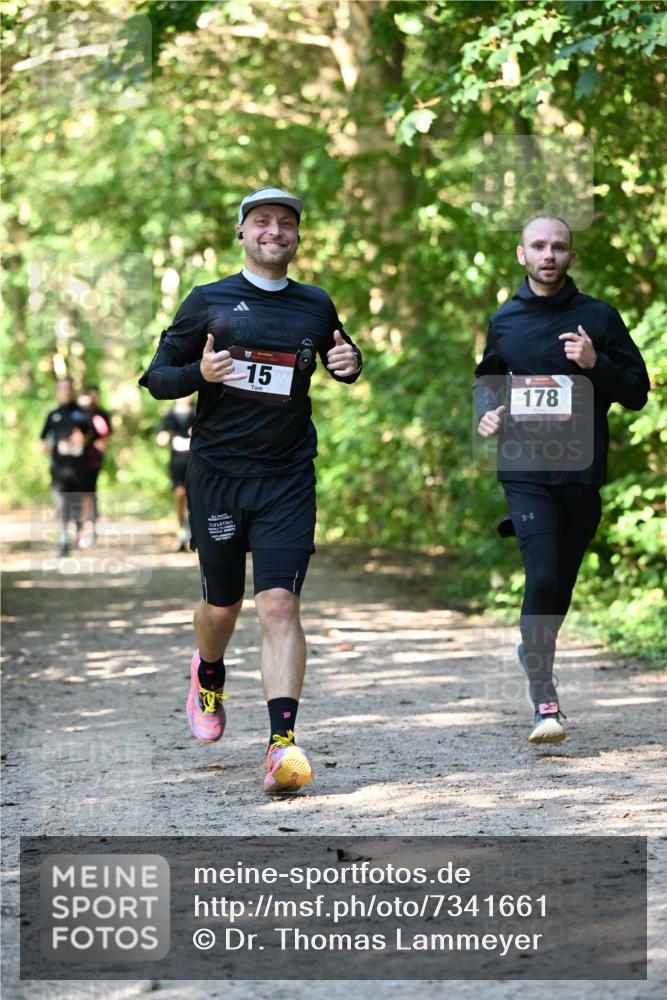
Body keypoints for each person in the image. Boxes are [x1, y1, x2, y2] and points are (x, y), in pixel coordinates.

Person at [139, 186, 362, 792]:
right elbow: (155, 378)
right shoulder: (207, 302)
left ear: (296, 236)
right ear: (242, 233)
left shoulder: (315, 305)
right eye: (261, 221)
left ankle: (281, 745)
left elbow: (340, 354)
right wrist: (197, 374)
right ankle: (208, 670)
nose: (274, 231)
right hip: (218, 477)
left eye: (286, 223)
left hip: (288, 475)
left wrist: (352, 363)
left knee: (280, 605)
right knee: (223, 605)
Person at [474, 214, 649, 745]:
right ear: (522, 255)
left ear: (570, 257)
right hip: (524, 469)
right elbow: (488, 377)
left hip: (580, 471)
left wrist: (595, 363)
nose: (549, 254)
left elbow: (637, 391)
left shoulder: (598, 316)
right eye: (538, 246)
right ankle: (544, 697)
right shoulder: (505, 320)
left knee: (560, 586)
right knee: (543, 575)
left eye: (559, 247)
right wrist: (488, 412)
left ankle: (534, 648)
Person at [40, 377, 97, 556]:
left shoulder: (83, 413)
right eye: (62, 388)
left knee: (81, 501)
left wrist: (83, 440)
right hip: (59, 467)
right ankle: (63, 538)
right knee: (62, 502)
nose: (65, 391)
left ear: (73, 390)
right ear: (58, 391)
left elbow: (94, 437)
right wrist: (46, 447)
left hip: (81, 467)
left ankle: (82, 530)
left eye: (68, 388)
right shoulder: (53, 414)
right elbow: (43, 439)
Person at [156, 394, 196, 551]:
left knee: (193, 498)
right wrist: (163, 436)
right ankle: (181, 533)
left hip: (194, 461)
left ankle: (194, 532)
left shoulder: (196, 412)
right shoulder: (170, 414)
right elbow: (161, 434)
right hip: (177, 462)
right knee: (179, 495)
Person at [78, 385, 113, 533]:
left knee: (90, 490)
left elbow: (105, 438)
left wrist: (98, 445)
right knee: (79, 491)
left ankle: (90, 524)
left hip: (94, 459)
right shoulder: (78, 412)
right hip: (76, 459)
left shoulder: (101, 415)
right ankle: (81, 523)